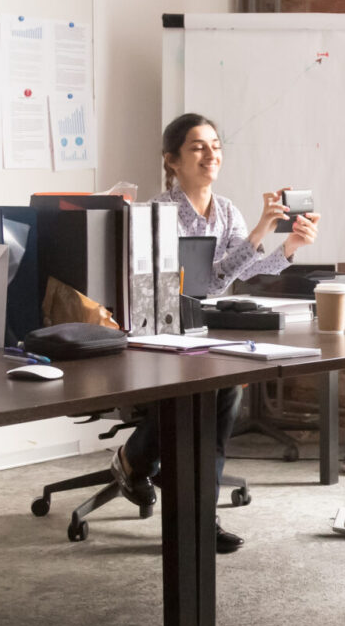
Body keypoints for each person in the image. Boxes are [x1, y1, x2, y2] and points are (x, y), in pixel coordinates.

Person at [109, 112, 319, 553]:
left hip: (200, 329)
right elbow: (208, 281)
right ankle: (143, 465)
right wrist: (262, 230)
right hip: (161, 329)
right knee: (214, 393)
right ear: (172, 161)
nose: (211, 155)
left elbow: (244, 271)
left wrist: (288, 249)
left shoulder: (225, 210)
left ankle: (195, 508)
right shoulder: (159, 214)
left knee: (226, 393)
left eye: (216, 145)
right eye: (198, 147)